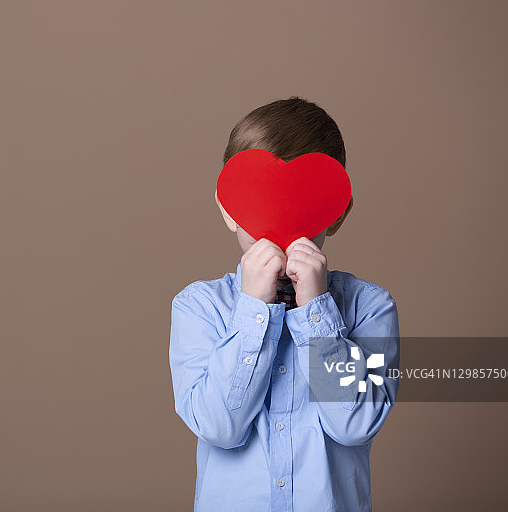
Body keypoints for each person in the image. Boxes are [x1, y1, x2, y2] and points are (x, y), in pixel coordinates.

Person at [168, 96, 400, 512]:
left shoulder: (369, 306)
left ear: (338, 212)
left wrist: (317, 311)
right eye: (259, 201)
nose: (280, 227)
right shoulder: (198, 306)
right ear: (228, 210)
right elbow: (219, 427)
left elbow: (355, 425)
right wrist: (254, 311)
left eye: (304, 203)